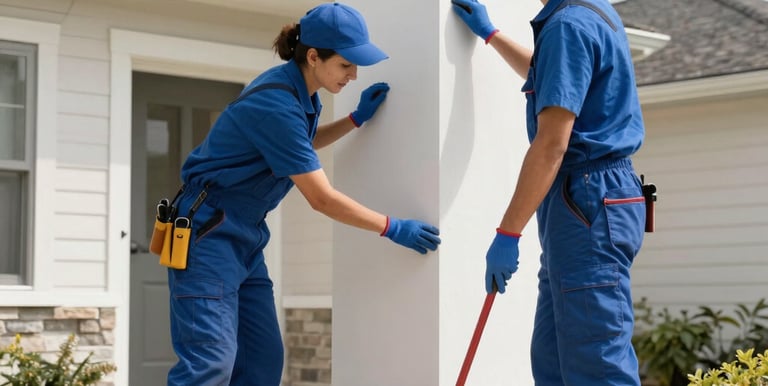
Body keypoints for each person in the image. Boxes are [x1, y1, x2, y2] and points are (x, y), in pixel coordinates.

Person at [163, 3, 441, 385]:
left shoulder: (302, 96)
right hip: (208, 236)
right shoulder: (275, 103)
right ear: (313, 56)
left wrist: (353, 120)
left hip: (245, 237)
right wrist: (392, 227)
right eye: (346, 65)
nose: (354, 74)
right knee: (210, 364)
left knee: (261, 362)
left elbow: (297, 147)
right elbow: (321, 198)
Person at [452, 0, 647, 385]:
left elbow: (551, 146)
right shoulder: (592, 12)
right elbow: (558, 79)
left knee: (597, 364)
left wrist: (508, 233)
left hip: (586, 199)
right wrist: (491, 35)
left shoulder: (567, 25)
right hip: (591, 198)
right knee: (553, 358)